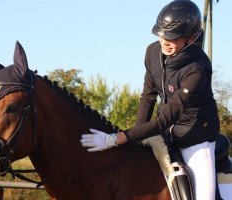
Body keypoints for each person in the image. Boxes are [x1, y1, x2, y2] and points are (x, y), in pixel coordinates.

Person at [81, 0, 220, 199]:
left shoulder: (198, 70)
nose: (164, 41)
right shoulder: (152, 52)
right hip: (165, 135)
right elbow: (148, 97)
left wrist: (117, 138)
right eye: (161, 35)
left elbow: (166, 118)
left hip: (196, 139)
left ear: (190, 38)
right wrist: (135, 141)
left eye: (172, 38)